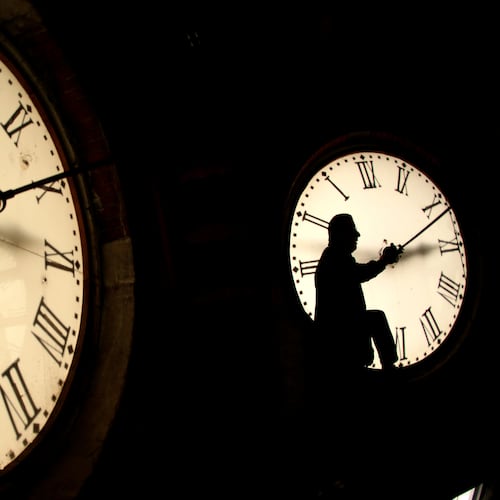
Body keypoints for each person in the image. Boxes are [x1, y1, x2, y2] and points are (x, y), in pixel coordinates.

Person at [306, 213, 401, 497]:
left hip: (337, 348)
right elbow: (359, 274)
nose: (358, 236)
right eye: (354, 232)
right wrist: (384, 261)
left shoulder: (331, 260)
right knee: (376, 319)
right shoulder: (336, 260)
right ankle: (390, 369)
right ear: (342, 235)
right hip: (342, 343)